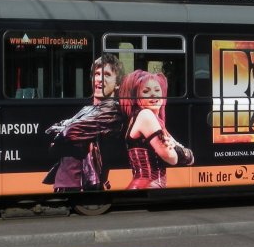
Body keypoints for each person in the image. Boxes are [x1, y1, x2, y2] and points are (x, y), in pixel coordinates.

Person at [43, 53, 125, 191]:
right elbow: (50, 132)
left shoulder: (112, 111)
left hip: (80, 183)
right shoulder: (88, 108)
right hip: (66, 180)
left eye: (107, 74)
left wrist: (63, 132)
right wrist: (62, 133)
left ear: (117, 84)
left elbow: (68, 132)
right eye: (97, 74)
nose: (100, 79)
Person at [119, 68, 193, 188]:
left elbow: (190, 158)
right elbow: (172, 158)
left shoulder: (151, 119)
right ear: (137, 98)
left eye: (157, 90)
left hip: (147, 187)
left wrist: (180, 152)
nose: (153, 94)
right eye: (146, 91)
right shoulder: (146, 115)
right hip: (148, 186)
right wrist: (182, 152)